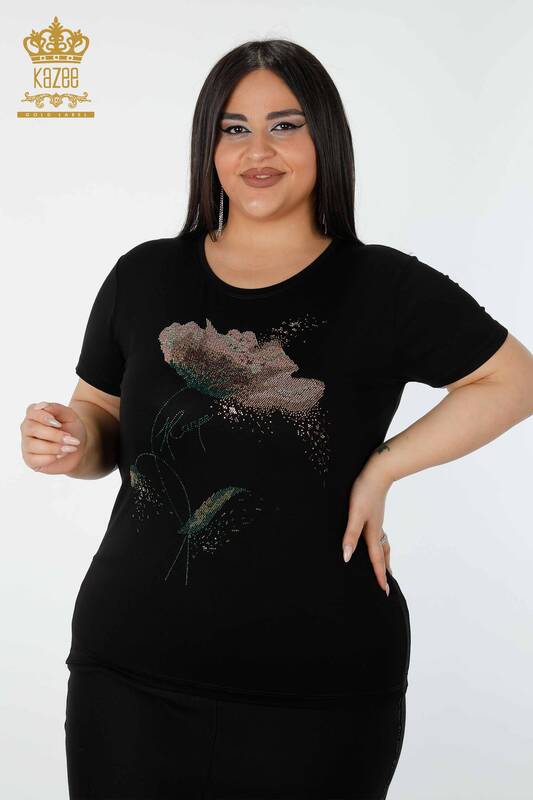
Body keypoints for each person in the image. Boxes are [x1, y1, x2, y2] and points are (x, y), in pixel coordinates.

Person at [20, 38, 533, 800]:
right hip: (129, 676)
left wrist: (383, 467)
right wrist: (69, 439)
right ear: (208, 147)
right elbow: (100, 421)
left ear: (325, 138)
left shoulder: (384, 287)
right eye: (234, 129)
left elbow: (514, 380)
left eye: (285, 126)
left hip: (320, 692)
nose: (257, 151)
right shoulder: (144, 276)